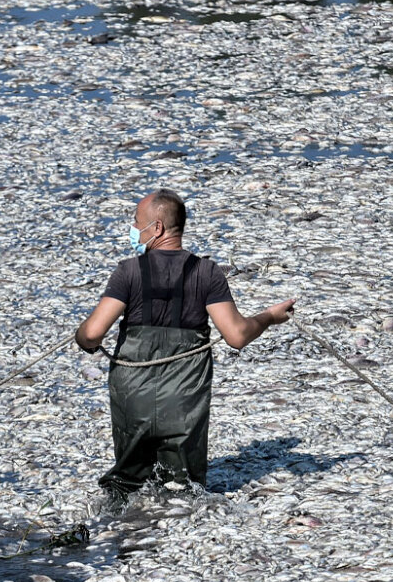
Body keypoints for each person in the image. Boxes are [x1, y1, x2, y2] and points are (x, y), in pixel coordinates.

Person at [76, 189, 295, 500]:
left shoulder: (128, 271)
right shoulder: (206, 272)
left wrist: (80, 336)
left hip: (132, 396)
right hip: (184, 399)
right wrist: (270, 317)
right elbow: (237, 335)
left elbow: (93, 334)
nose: (133, 229)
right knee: (184, 494)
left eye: (137, 222)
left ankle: (120, 538)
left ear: (157, 228)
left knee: (128, 488)